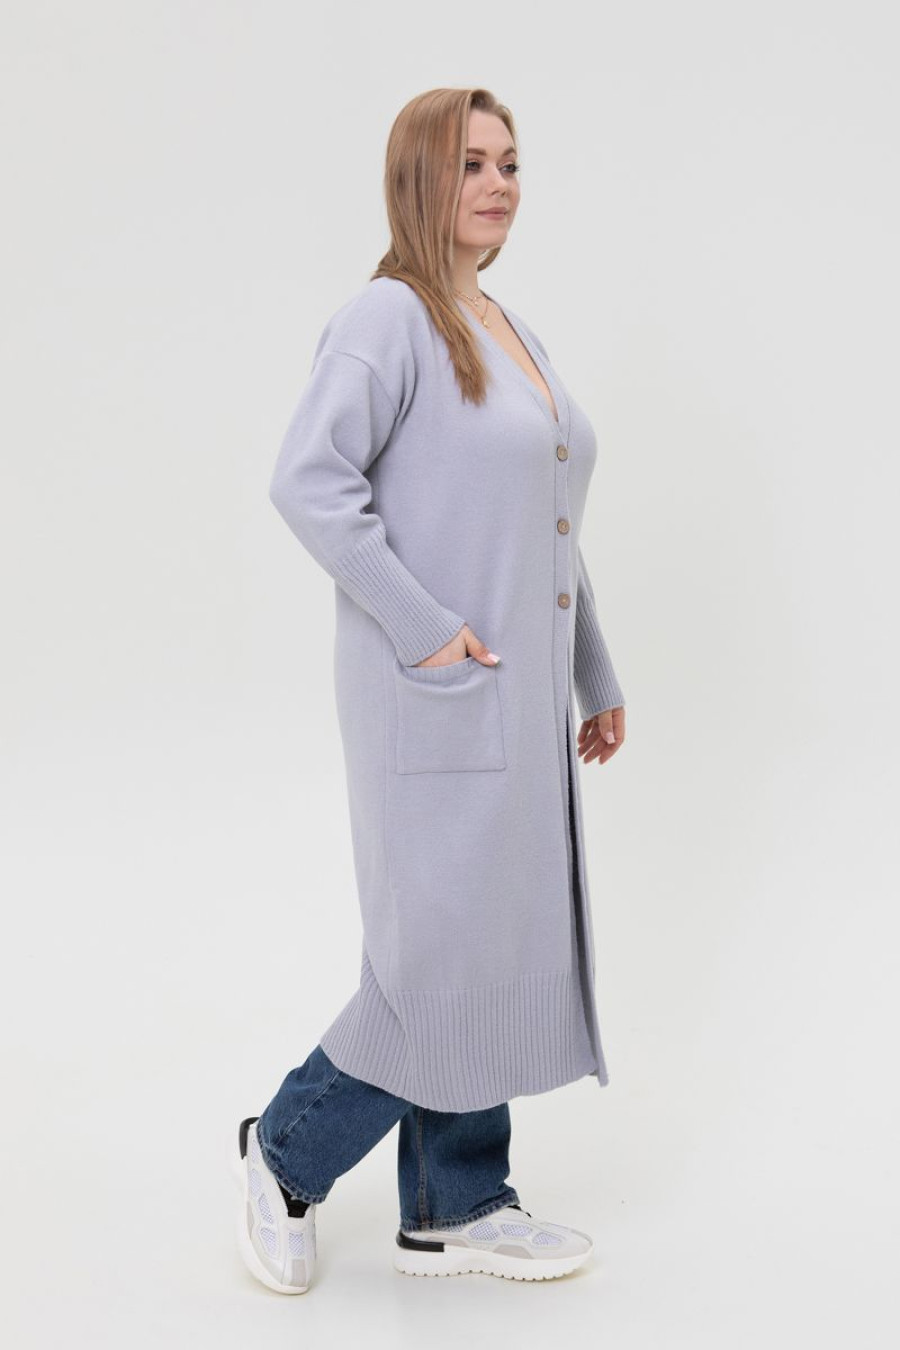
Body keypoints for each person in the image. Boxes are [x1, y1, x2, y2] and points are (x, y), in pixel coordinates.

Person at [234, 86, 627, 1294]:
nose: (500, 183)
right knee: (435, 968)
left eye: (511, 163)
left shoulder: (507, 325)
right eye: (472, 163)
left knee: (491, 951)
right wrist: (428, 633)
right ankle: (285, 1153)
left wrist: (594, 671)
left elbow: (546, 525)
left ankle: (457, 1200)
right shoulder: (387, 319)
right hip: (433, 698)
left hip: (516, 701)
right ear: (419, 177)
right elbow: (309, 483)